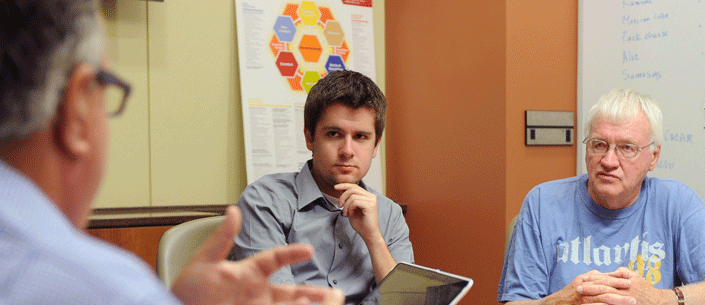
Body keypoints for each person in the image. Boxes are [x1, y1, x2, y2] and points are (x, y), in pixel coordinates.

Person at [0, 0, 344, 304]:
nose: (347, 151)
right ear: (75, 110)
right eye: (107, 89)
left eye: (362, 137)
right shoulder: (103, 287)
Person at [498, 88, 705, 304]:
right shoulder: (543, 203)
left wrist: (659, 299)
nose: (609, 161)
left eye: (626, 148)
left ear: (653, 157)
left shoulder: (675, 203)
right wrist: (564, 300)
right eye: (599, 144)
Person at [228, 70, 414, 305]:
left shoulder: (389, 215)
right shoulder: (264, 201)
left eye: (360, 137)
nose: (347, 150)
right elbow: (276, 300)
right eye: (334, 134)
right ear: (310, 138)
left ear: (376, 146)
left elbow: (407, 302)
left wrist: (374, 238)